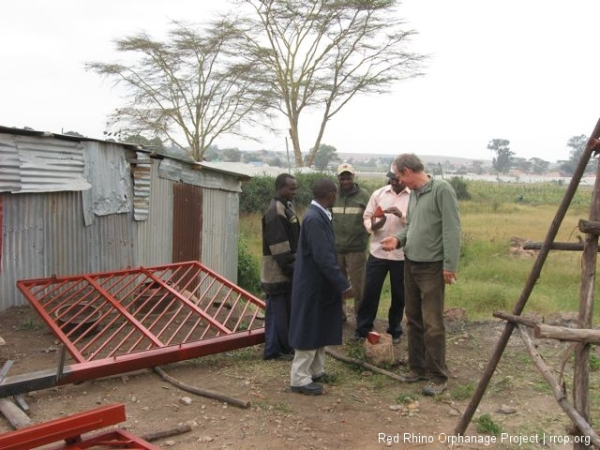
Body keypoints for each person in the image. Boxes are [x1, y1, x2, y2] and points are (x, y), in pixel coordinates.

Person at [381, 153, 461, 396]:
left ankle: (439, 376)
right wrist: (398, 239)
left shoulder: (441, 190)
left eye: (397, 176)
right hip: (411, 264)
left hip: (432, 267)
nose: (397, 181)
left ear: (406, 171)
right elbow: (412, 227)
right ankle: (418, 369)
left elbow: (452, 228)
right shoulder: (415, 194)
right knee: (413, 318)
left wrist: (450, 265)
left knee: (433, 324)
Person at [289, 179, 354, 395]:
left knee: (319, 326)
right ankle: (299, 379)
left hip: (320, 284)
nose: (336, 196)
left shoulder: (320, 215)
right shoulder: (314, 219)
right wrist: (343, 284)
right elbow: (323, 257)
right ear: (329, 194)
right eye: (334, 193)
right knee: (309, 328)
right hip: (313, 284)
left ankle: (316, 371)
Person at [354, 167, 410, 345]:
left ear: (404, 177)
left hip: (400, 254)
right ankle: (363, 328)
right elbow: (367, 217)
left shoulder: (413, 196)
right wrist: (376, 224)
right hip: (377, 252)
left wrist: (401, 215)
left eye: (397, 179)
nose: (393, 182)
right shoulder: (379, 194)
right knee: (370, 291)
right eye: (391, 179)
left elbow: (417, 221)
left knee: (399, 294)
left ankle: (395, 330)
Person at [260, 173, 300, 361]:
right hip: (277, 271)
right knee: (277, 314)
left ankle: (285, 347)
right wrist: (292, 269)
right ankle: (273, 351)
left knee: (285, 312)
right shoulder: (275, 211)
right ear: (280, 188)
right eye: (291, 188)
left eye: (295, 188)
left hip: (285, 270)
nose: (294, 191)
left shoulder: (286, 207)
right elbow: (280, 247)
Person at [332, 163, 370, 321]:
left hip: (356, 250)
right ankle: (339, 315)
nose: (345, 181)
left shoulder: (364, 195)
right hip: (336, 249)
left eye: (348, 177)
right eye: (342, 178)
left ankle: (361, 318)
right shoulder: (333, 195)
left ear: (353, 177)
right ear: (338, 178)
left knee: (358, 286)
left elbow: (370, 218)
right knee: (337, 284)